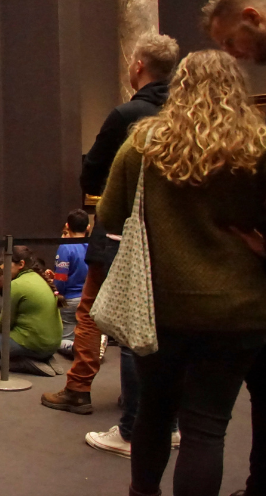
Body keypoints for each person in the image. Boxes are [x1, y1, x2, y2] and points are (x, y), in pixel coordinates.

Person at [99, 49, 266, 496]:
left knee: (155, 412)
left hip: (160, 307)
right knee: (206, 427)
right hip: (240, 310)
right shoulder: (258, 146)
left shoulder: (143, 144)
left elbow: (112, 217)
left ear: (180, 87)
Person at [42, 32, 177, 415]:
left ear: (138, 66)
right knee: (153, 313)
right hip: (169, 234)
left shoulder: (127, 116)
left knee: (90, 312)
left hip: (120, 229)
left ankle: (81, 388)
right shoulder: (184, 116)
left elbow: (92, 176)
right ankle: (148, 398)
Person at [205, 4, 266, 494]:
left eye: (230, 41)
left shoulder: (146, 142)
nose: (234, 54)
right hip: (245, 298)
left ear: (253, 14)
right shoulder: (250, 140)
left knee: (203, 416)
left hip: (215, 304)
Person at [0, 246, 64, 377]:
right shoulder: (41, 278)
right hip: (53, 344)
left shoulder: (16, 284)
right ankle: (43, 358)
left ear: (21, 264)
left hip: (35, 344)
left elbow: (6, 322)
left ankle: (26, 363)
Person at [52, 209, 89, 356]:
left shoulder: (65, 247)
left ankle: (74, 348)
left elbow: (61, 278)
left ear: (67, 226)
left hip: (70, 299)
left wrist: (56, 293)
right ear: (88, 227)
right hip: (88, 298)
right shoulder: (92, 246)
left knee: (62, 339)